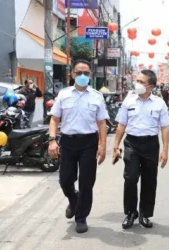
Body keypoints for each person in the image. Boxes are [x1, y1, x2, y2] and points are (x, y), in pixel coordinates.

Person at [48, 59, 109, 234]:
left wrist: (102, 146)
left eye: (86, 73)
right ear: (72, 74)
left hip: (89, 142)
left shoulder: (96, 96)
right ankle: (73, 201)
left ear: (89, 75)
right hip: (67, 142)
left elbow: (102, 123)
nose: (82, 76)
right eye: (79, 72)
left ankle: (81, 217)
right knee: (65, 180)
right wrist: (52, 140)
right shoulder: (64, 94)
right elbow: (54, 119)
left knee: (86, 182)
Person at [113, 69, 169, 230]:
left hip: (151, 144)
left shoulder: (159, 103)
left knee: (149, 180)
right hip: (132, 143)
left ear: (151, 86)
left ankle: (145, 214)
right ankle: (131, 212)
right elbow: (121, 125)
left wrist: (165, 151)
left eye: (142, 82)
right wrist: (116, 146)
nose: (137, 84)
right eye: (137, 81)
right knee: (130, 177)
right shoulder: (128, 101)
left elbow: (165, 129)